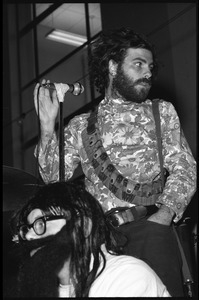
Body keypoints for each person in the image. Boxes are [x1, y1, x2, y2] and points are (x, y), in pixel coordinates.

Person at [33, 27, 197, 296]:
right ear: (112, 67)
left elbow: (185, 167)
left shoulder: (161, 111)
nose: (147, 72)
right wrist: (47, 126)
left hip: (152, 228)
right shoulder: (81, 125)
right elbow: (52, 179)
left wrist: (164, 216)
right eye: (138, 64)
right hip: (102, 241)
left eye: (150, 66)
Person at [10, 182, 170, 297]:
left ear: (83, 227)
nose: (29, 237)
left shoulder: (127, 277)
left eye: (40, 224)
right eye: (26, 230)